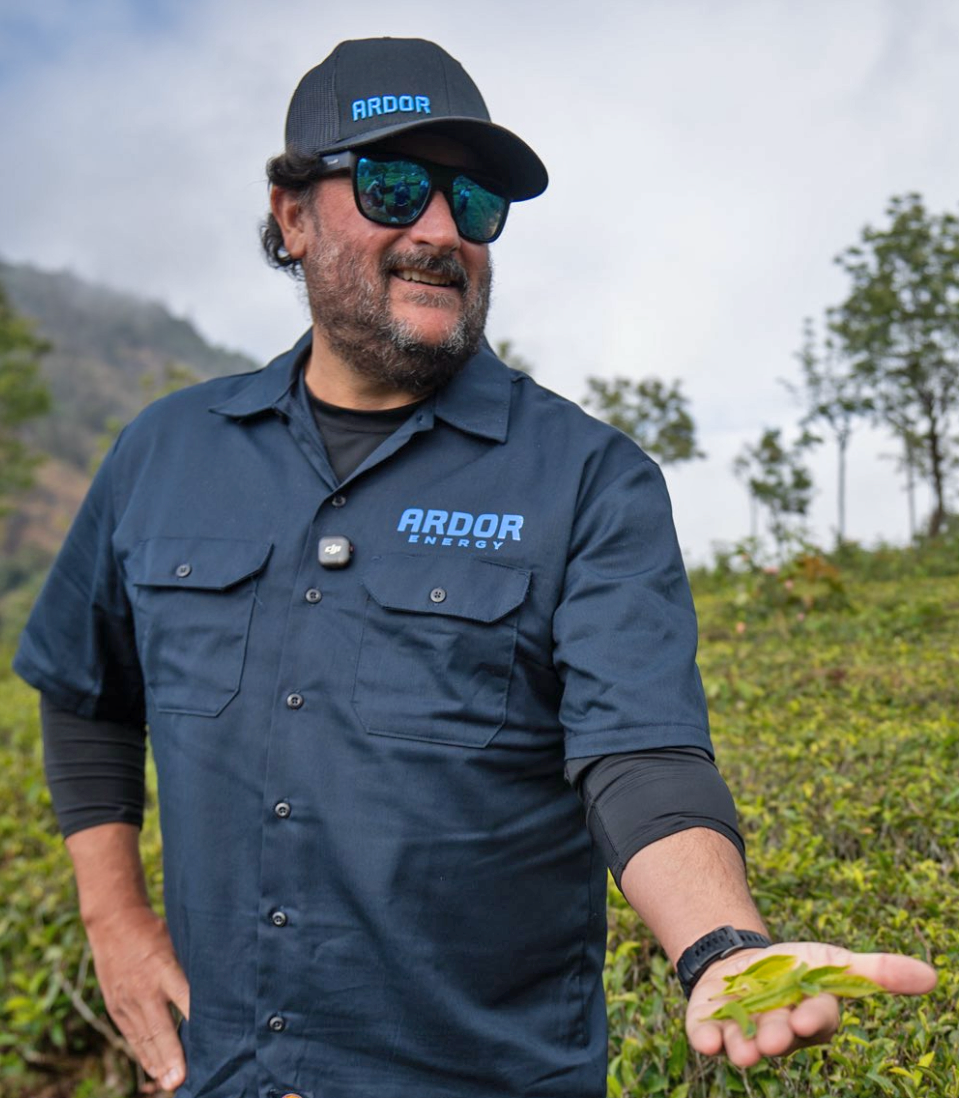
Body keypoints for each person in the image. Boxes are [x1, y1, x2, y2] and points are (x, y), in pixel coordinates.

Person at [14, 36, 934, 1098]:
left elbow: (639, 757)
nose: (441, 230)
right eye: (394, 186)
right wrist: (113, 917)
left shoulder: (590, 481)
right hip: (220, 1070)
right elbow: (84, 688)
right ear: (290, 214)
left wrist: (721, 947)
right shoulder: (164, 452)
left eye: (475, 202)